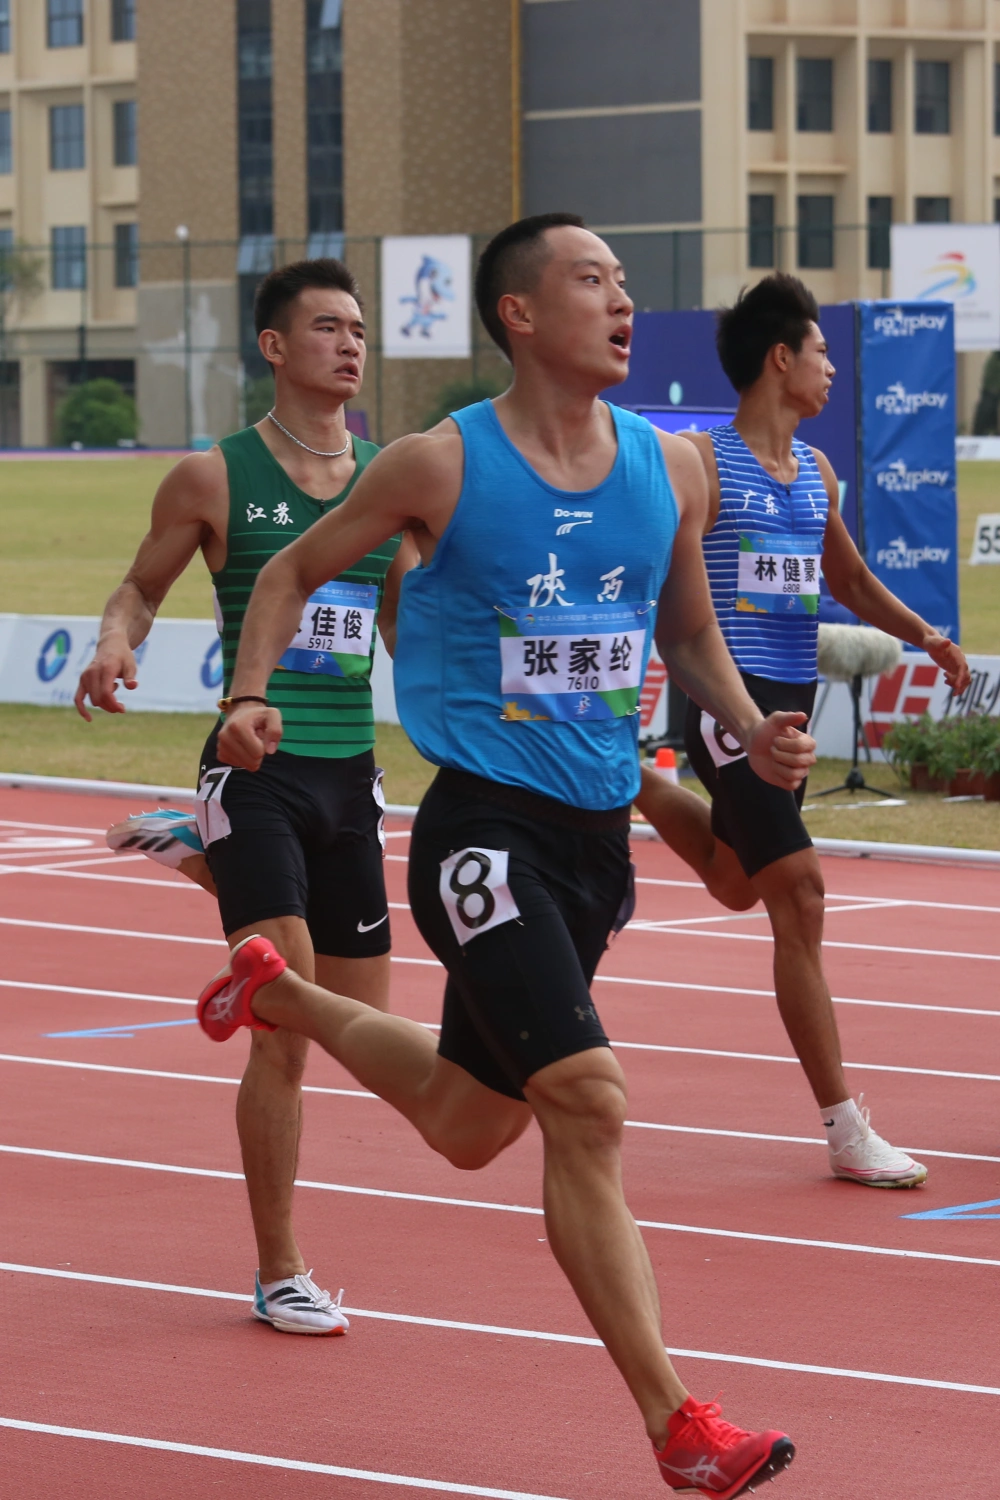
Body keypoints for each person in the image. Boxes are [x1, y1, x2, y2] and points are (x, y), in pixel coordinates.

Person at [197, 214, 810, 1495]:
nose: (622, 300)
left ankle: (278, 992)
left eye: (626, 282)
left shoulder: (668, 470)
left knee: (467, 1124)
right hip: (484, 832)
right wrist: (245, 698)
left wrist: (752, 736)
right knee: (586, 1103)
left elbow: (689, 642)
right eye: (591, 281)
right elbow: (291, 573)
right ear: (520, 315)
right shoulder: (439, 464)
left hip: (596, 842)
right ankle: (677, 1426)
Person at [75, 258, 416, 1335]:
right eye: (327, 327)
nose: (351, 344)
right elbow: (141, 586)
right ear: (274, 347)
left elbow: (406, 625)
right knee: (285, 1031)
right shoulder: (213, 477)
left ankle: (197, 856)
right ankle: (279, 1273)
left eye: (359, 328)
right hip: (253, 767)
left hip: (349, 776)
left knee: (362, 1021)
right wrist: (111, 642)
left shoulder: (386, 478)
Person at [635, 272, 970, 1189]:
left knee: (742, 880)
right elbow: (658, 581)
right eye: (820, 351)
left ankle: (631, 781)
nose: (830, 367)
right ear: (779, 359)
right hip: (728, 705)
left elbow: (851, 582)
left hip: (790, 703)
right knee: (804, 895)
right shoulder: (699, 461)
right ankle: (844, 1126)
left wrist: (927, 635)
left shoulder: (816, 472)